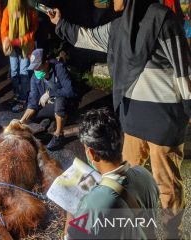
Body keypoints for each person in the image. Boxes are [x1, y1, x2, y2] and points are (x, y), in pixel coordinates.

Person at [48, 0, 191, 237]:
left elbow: (183, 67)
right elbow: (87, 37)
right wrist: (60, 23)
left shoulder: (163, 19)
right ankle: (139, 232)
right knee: (127, 179)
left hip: (163, 119)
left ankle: (171, 232)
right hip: (132, 117)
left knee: (167, 186)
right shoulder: (117, 27)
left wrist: (187, 108)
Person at [62, 108, 159, 239]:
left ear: (92, 153)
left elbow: (71, 237)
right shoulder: (145, 174)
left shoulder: (94, 203)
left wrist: (70, 208)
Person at [19, 49, 76, 150]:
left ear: (46, 63)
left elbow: (70, 91)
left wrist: (50, 94)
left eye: (37, 67)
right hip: (50, 104)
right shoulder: (35, 78)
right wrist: (21, 121)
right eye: (33, 67)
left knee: (60, 101)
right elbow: (33, 102)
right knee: (31, 116)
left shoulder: (59, 68)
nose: (35, 70)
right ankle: (51, 120)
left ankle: (59, 135)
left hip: (66, 103)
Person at [1, 0, 38, 112]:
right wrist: (6, 39)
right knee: (14, 71)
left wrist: (23, 39)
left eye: (18, 9)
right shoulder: (7, 11)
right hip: (12, 48)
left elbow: (33, 29)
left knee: (24, 72)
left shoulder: (30, 11)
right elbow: (4, 29)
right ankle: (16, 94)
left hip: (25, 47)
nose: (16, 12)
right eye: (14, 9)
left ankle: (23, 98)